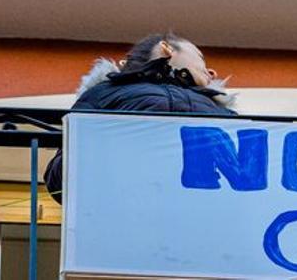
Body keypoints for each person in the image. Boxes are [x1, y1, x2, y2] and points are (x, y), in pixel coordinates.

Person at [44, 33, 235, 202]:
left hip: (195, 220)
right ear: (166, 49)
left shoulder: (219, 109)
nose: (212, 72)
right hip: (130, 215)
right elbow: (59, 181)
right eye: (200, 58)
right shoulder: (104, 93)